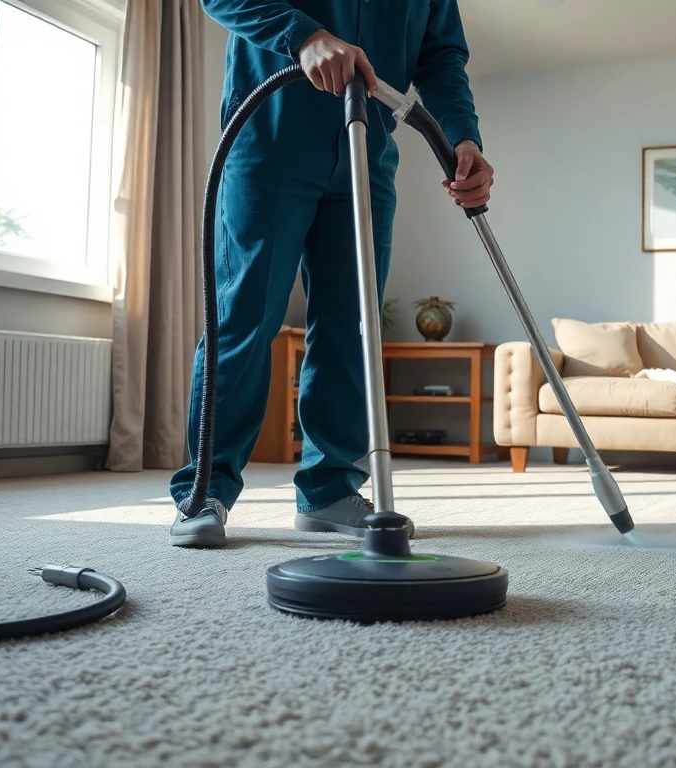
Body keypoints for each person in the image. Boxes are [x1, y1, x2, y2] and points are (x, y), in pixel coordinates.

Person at [168, 1, 493, 548]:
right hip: (270, 140)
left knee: (355, 324)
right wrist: (305, 36)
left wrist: (461, 137)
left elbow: (440, 56)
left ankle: (329, 491)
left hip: (366, 151)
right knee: (246, 315)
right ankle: (205, 488)